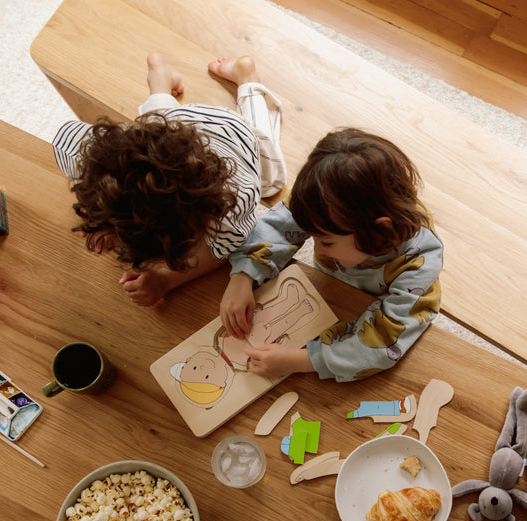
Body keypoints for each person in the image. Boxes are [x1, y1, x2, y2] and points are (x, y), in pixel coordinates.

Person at [52, 53, 287, 306]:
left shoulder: (235, 204)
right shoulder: (103, 151)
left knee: (273, 184)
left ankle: (247, 81)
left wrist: (166, 280)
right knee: (158, 117)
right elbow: (63, 139)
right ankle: (160, 76)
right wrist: (104, 220)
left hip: (234, 133)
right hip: (174, 127)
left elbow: (222, 250)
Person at [220, 127, 442, 383]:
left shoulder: (419, 265)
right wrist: (242, 276)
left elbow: (383, 343)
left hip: (372, 308)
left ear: (378, 231)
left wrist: (301, 361)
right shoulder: (324, 201)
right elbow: (278, 226)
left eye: (326, 242)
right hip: (331, 292)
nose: (314, 249)